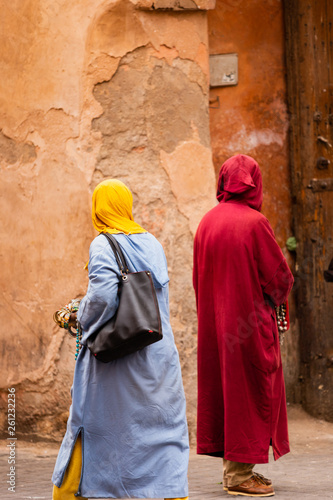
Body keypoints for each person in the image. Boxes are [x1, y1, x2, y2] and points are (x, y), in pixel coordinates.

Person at [52, 179, 189, 500]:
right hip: (157, 357)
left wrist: (77, 315)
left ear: (98, 208)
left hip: (117, 364)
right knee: (157, 432)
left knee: (106, 430)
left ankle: (91, 490)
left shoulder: (102, 244)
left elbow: (102, 298)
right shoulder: (152, 242)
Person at [193, 154, 294, 497]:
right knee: (250, 393)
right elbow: (279, 278)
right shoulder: (254, 223)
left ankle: (237, 470)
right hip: (248, 327)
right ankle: (237, 476)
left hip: (217, 325)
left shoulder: (206, 223)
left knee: (227, 392)